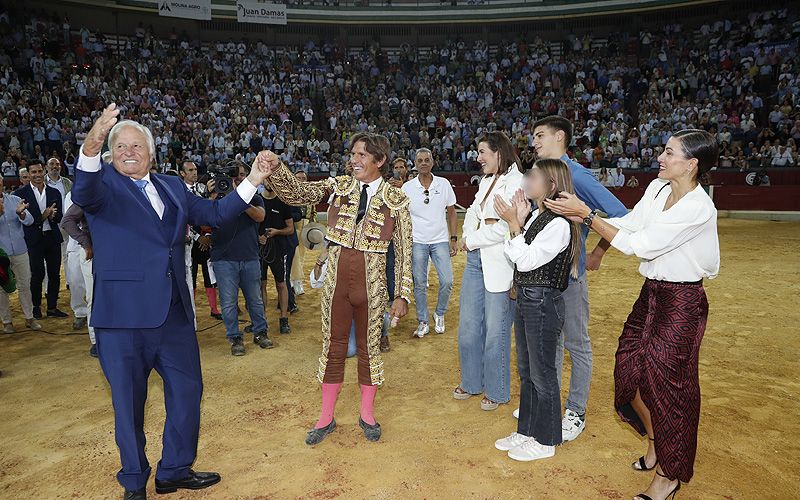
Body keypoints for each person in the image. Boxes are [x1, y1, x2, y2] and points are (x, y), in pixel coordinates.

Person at [72, 104, 272, 500]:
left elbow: (215, 212)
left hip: (174, 314)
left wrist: (253, 178)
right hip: (122, 318)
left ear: (151, 152)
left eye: (137, 145)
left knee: (187, 391)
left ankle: (174, 470)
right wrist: (93, 141)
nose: (129, 151)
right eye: (120, 146)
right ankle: (134, 482)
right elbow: (83, 187)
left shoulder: (172, 185)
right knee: (129, 406)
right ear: (110, 154)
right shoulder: (102, 187)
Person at [545, 129, 720, 500]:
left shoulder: (698, 207)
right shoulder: (657, 189)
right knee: (628, 370)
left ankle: (669, 475)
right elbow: (631, 224)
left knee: (670, 386)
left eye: (669, 152)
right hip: (651, 294)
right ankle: (657, 443)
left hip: (682, 301)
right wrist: (585, 214)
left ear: (691, 164)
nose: (660, 156)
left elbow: (641, 245)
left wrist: (586, 215)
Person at [255, 132, 412, 445]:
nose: (353, 160)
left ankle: (366, 414)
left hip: (372, 286)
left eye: (361, 156)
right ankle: (326, 417)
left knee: (369, 349)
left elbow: (406, 250)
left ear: (379, 161)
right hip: (336, 284)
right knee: (333, 347)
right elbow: (298, 193)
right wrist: (277, 167)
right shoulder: (338, 186)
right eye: (352, 154)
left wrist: (403, 295)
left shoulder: (397, 200)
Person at [525, 115, 628, 441]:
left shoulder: (577, 176)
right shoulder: (543, 176)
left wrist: (598, 252)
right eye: (533, 137)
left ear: (559, 138)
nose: (534, 142)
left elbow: (622, 214)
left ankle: (576, 410)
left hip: (569, 276)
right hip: (544, 277)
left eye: (540, 135)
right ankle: (549, 403)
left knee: (577, 344)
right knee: (550, 343)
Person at [493, 159, 580, 462]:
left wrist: (514, 225)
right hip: (529, 300)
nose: (526, 180)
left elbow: (526, 260)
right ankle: (527, 429)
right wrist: (519, 222)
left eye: (533, 176)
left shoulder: (558, 224)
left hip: (542, 302)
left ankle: (546, 439)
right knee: (528, 371)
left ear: (551, 186)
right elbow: (517, 256)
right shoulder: (538, 217)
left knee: (542, 372)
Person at [454, 131, 523, 411]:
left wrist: (470, 240)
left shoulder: (518, 181)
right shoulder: (485, 181)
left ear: (499, 153)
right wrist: (468, 233)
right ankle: (471, 382)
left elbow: (506, 226)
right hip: (475, 262)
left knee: (496, 330)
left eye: (483, 152)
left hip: (501, 264)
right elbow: (471, 212)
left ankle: (496, 390)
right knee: (469, 326)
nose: (478, 158)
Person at [208, 160, 272, 356]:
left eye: (242, 175)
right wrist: (212, 196)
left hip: (249, 256)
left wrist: (238, 200)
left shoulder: (254, 196)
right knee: (228, 302)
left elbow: (260, 216)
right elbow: (205, 219)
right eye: (234, 175)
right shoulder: (217, 197)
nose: (238, 178)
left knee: (255, 300)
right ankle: (235, 338)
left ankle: (260, 332)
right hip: (223, 258)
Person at [402, 147, 457, 338]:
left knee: (447, 280)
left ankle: (439, 313)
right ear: (415, 165)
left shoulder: (444, 184)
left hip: (440, 239)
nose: (424, 163)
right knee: (419, 283)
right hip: (417, 241)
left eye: (427, 160)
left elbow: (451, 212)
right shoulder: (407, 187)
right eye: (420, 161)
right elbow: (402, 216)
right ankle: (423, 320)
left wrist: (453, 238)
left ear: (432, 162)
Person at [14, 159, 67, 319]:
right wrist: (43, 216)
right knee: (37, 274)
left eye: (39, 171)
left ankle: (52, 307)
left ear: (44, 171)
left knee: (54, 274)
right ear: (28, 174)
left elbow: (60, 218)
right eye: (33, 172)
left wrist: (54, 215)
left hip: (52, 238)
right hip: (33, 240)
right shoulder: (20, 195)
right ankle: (36, 307)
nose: (37, 175)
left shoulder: (54, 193)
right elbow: (22, 220)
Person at [180, 160, 221, 320]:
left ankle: (214, 308)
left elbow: (211, 213)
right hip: (190, 240)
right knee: (190, 275)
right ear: (182, 173)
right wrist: (199, 237)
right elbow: (184, 217)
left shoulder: (204, 189)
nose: (194, 173)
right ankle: (191, 311)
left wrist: (209, 236)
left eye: (195, 169)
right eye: (190, 170)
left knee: (209, 272)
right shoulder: (180, 191)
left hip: (206, 239)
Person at [0, 176, 41, 332]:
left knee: (25, 285)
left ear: (2, 184)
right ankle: (7, 321)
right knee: (2, 288)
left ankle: (29, 318)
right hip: (1, 254)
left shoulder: (15, 199)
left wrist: (21, 214)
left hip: (20, 249)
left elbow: (29, 221)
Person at [62, 194, 96, 356]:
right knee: (93, 296)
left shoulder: (124, 192)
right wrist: (85, 242)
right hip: (93, 253)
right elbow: (67, 221)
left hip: (117, 252)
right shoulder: (89, 196)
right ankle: (96, 340)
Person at [259, 183, 294, 334]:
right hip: (260, 250)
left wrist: (277, 232)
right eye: (268, 180)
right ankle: (262, 320)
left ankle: (284, 319)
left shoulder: (283, 201)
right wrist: (258, 237)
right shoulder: (257, 200)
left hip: (279, 249)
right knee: (261, 285)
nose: (270, 183)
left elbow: (291, 228)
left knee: (281, 284)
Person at [61, 191, 90, 332]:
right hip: (75, 243)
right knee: (75, 281)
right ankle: (80, 312)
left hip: (93, 244)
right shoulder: (71, 195)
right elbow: (68, 220)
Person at [289, 170, 316, 295]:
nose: (301, 180)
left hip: (306, 225)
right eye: (298, 178)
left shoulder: (309, 193)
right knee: (295, 254)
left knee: (302, 254)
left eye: (303, 178)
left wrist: (312, 227)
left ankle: (293, 280)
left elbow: (313, 212)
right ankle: (296, 281)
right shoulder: (289, 193)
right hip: (293, 225)